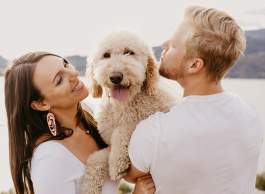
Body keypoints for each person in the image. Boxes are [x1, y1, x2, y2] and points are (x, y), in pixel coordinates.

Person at [125, 6, 264, 194]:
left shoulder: (156, 130)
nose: (164, 44)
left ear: (194, 64)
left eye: (174, 45)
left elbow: (128, 174)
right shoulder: (250, 115)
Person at [4, 51, 155, 194]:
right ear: (41, 104)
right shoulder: (49, 159)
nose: (74, 74)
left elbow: (128, 164)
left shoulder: (89, 118)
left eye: (65, 64)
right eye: (59, 80)